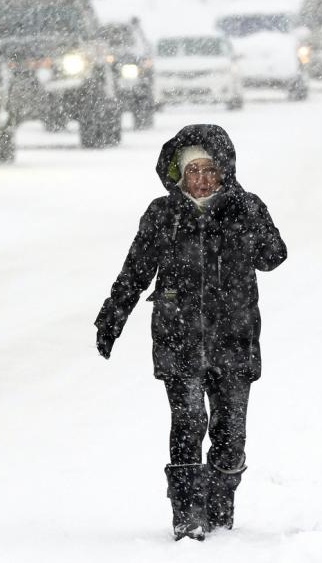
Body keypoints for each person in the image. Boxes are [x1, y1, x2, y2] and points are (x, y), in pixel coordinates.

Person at [94, 124, 286, 541]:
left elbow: (274, 257)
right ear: (179, 174)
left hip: (234, 340)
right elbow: (135, 272)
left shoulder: (245, 207)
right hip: (177, 339)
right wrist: (113, 316)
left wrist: (247, 217)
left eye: (210, 169)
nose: (201, 178)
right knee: (187, 423)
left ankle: (219, 505)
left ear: (224, 172)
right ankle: (187, 513)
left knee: (230, 434)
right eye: (192, 169)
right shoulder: (163, 215)